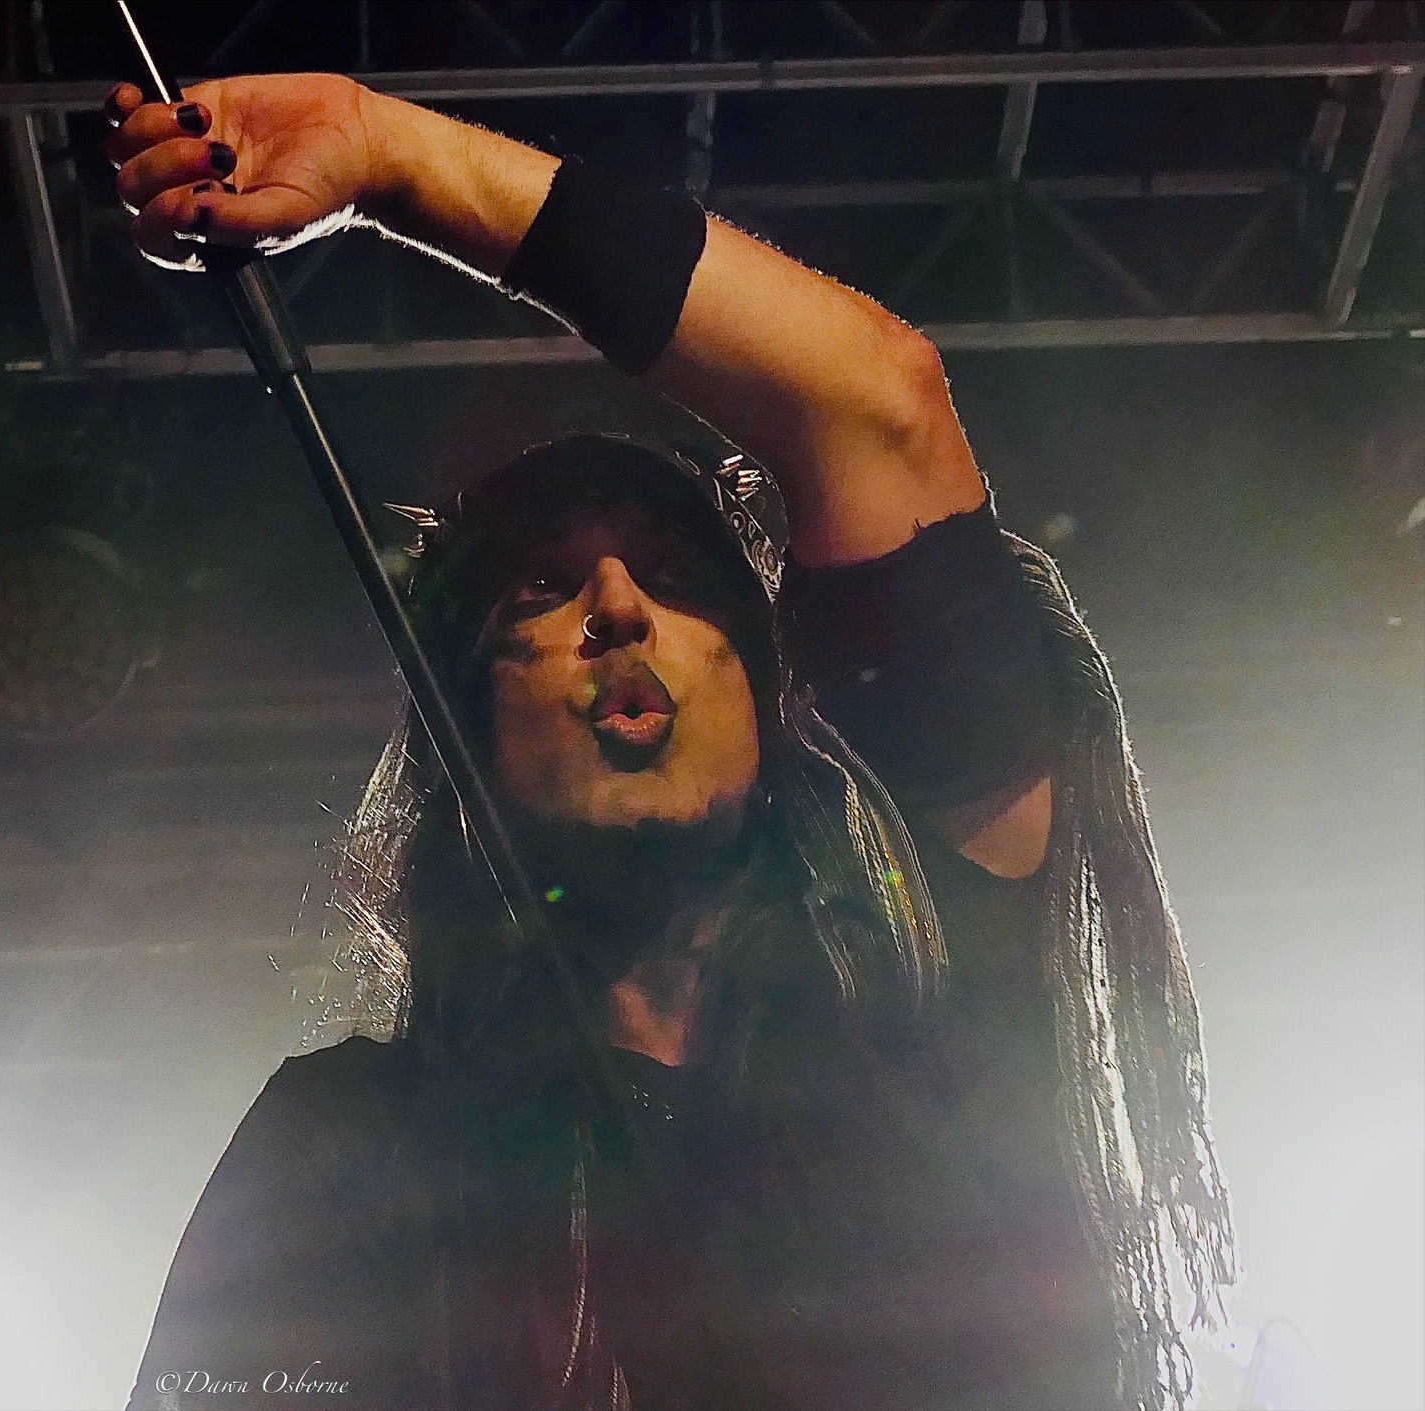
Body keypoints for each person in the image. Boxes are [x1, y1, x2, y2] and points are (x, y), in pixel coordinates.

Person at [109, 72, 1237, 1411]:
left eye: (679, 576)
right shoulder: (351, 1147)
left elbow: (875, 400)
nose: (618, 606)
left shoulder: (927, 995)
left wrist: (389, 155)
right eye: (539, 590)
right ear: (464, 746)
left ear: (771, 694)